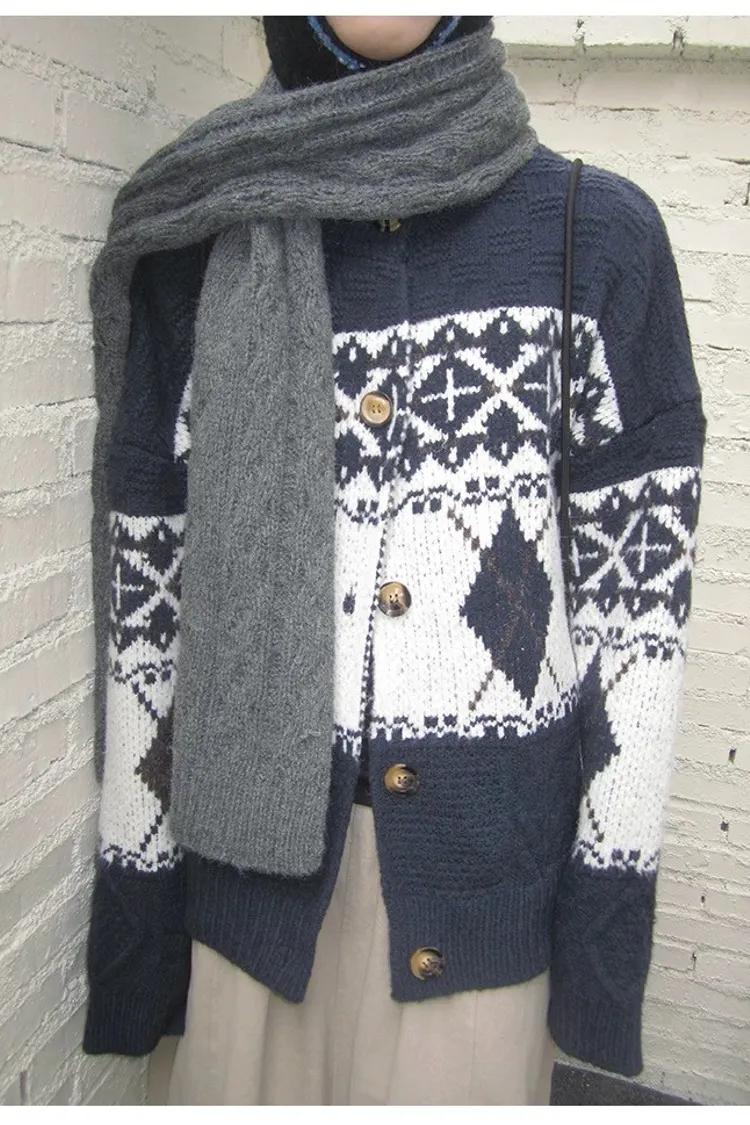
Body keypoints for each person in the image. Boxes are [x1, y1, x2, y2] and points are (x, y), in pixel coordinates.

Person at [81, 15, 706, 1106]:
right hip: (241, 905)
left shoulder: (594, 235)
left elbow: (637, 630)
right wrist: (139, 921)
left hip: (483, 913)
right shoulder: (201, 239)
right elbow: (152, 608)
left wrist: (600, 949)